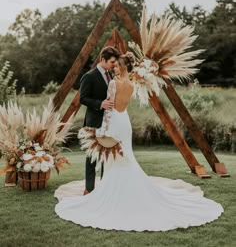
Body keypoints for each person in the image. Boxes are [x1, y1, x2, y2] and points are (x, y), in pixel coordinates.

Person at [55, 52, 223, 232]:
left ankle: (112, 193)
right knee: (124, 157)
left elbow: (110, 110)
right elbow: (96, 101)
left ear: (121, 66)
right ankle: (113, 190)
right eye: (113, 64)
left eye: (116, 64)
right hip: (124, 122)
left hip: (113, 122)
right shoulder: (131, 84)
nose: (114, 67)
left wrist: (103, 130)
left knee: (115, 159)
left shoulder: (113, 82)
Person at [79, 46, 120, 194]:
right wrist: (100, 104)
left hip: (108, 122)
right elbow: (82, 98)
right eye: (112, 62)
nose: (114, 65)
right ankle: (89, 189)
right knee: (92, 157)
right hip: (93, 122)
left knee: (106, 156)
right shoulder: (89, 76)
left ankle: (104, 187)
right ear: (103, 59)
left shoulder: (110, 75)